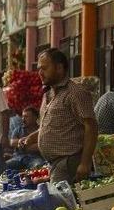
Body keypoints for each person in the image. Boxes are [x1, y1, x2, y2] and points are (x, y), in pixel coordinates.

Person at [23, 48, 98, 185]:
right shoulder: (48, 94)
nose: (40, 73)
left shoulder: (75, 92)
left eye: (44, 68)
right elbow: (50, 126)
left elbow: (91, 127)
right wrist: (30, 138)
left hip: (68, 162)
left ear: (59, 68)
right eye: (39, 69)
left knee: (61, 199)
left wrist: (85, 163)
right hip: (54, 164)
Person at [6, 106, 46, 170]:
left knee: (39, 166)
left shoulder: (41, 131)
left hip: (35, 158)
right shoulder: (18, 129)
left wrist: (23, 146)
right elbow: (12, 142)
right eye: (22, 116)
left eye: (26, 117)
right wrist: (20, 141)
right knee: (4, 166)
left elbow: (41, 145)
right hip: (18, 158)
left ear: (35, 118)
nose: (23, 119)